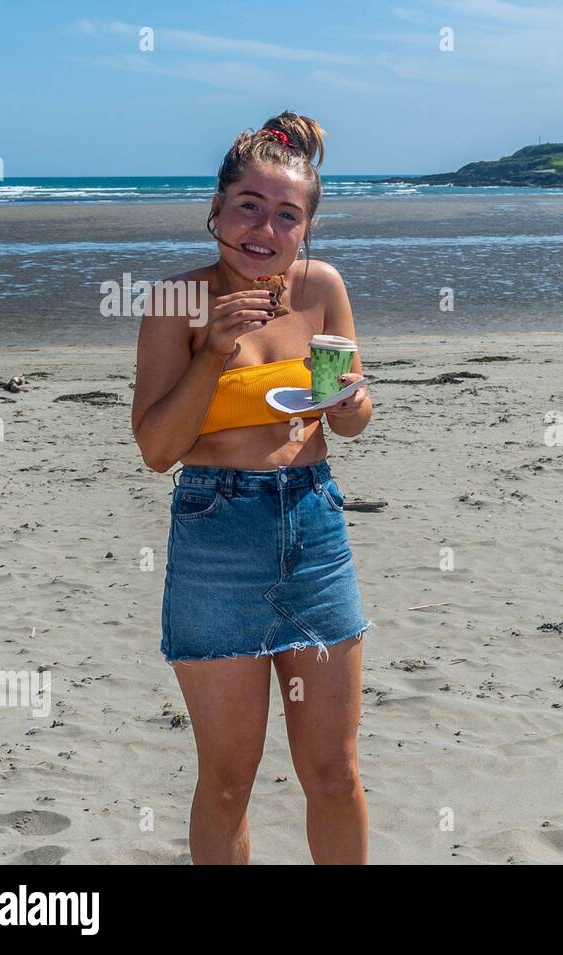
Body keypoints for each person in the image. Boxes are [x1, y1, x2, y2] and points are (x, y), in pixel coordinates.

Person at [131, 111, 374, 864]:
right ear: (216, 207)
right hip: (215, 532)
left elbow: (353, 418)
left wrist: (350, 399)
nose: (264, 228)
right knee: (228, 780)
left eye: (287, 215)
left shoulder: (322, 288)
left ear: (306, 229)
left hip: (313, 526)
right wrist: (214, 354)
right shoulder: (176, 301)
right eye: (249, 206)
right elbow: (156, 450)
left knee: (333, 773)